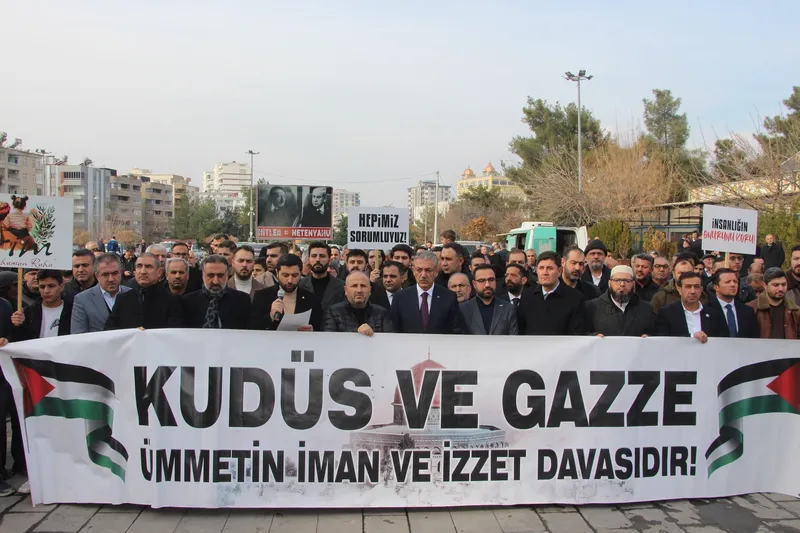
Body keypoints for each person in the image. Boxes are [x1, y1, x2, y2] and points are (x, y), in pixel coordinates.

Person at [105, 253, 184, 330]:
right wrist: (132, 333)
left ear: (159, 272)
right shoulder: (122, 299)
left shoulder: (172, 300)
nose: (143, 271)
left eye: (148, 267)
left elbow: (175, 332)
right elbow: (109, 330)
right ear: (135, 271)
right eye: (139, 266)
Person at [389, 250, 461, 334]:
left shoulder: (449, 297)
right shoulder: (400, 297)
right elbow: (394, 329)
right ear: (413, 271)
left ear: (436, 272)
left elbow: (455, 329)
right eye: (419, 270)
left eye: (428, 270)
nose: (423, 275)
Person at [517, 251, 586, 335]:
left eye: (549, 268)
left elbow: (576, 334)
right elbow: (521, 329)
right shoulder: (527, 295)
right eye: (541, 268)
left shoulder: (575, 298)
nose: (545, 273)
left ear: (559, 271)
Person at [250, 253, 322, 331]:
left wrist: (311, 332)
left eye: (294, 275)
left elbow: (319, 327)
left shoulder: (311, 299)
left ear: (300, 274)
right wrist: (270, 316)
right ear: (277, 273)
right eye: (285, 275)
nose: (290, 280)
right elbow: (252, 328)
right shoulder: (262, 296)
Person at [654, 272, 728, 342]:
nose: (693, 291)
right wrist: (691, 337)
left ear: (701, 290)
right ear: (679, 289)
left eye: (696, 287)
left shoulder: (714, 315)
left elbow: (722, 341)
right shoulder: (667, 313)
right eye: (688, 287)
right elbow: (663, 340)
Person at [181, 255, 251, 329]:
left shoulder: (242, 300)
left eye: (220, 275)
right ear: (203, 275)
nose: (215, 281)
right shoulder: (187, 301)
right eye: (211, 275)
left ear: (227, 275)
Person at [585, 265, 654, 337]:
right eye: (617, 280)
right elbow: (582, 334)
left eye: (627, 281)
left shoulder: (646, 309)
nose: (622, 284)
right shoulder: (592, 307)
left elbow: (655, 334)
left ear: (633, 284)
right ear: (609, 283)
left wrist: (648, 337)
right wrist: (594, 337)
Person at [71, 253, 131, 334]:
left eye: (114, 273)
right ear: (97, 276)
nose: (111, 279)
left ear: (121, 272)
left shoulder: (131, 293)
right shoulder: (82, 299)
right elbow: (78, 334)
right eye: (105, 275)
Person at [323, 271, 392, 335]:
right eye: (354, 286)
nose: (359, 290)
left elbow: (389, 340)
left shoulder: (382, 313)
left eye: (363, 286)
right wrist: (357, 332)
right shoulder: (333, 312)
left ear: (370, 290)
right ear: (346, 290)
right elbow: (330, 339)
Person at [10, 270, 72, 341]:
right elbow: (18, 341)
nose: (46, 291)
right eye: (42, 287)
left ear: (61, 287)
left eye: (51, 286)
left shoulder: (72, 310)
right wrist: (17, 325)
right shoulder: (28, 312)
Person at [459, 265, 517, 335]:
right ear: (474, 284)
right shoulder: (463, 310)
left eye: (491, 280)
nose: (487, 285)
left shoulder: (508, 309)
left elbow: (514, 338)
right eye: (481, 281)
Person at [747, 268, 800, 339]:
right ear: (765, 285)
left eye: (783, 284)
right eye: (776, 285)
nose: (781, 289)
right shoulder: (751, 309)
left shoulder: (795, 311)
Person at [705, 268, 759, 339]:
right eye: (727, 282)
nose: (733, 285)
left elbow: (754, 338)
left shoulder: (747, 311)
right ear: (716, 287)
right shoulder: (706, 309)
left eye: (735, 282)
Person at [299, 242, 345, 310]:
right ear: (309, 259)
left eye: (322, 256)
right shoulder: (299, 285)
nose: (317, 259)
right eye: (314, 256)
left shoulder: (341, 286)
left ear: (329, 260)